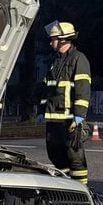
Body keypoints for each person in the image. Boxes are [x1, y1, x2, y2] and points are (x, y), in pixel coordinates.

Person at [42, 21, 92, 184]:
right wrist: (42, 111)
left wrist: (79, 116)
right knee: (55, 154)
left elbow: (83, 89)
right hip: (53, 119)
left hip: (69, 120)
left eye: (54, 39)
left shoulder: (79, 59)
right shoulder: (54, 61)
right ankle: (67, 186)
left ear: (63, 39)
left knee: (74, 156)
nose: (51, 42)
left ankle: (82, 190)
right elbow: (48, 89)